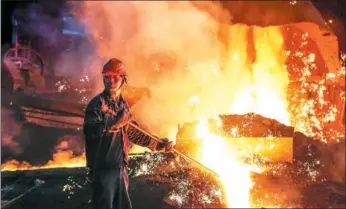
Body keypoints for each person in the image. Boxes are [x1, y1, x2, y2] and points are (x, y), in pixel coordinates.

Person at [83, 58, 174, 209]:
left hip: (120, 169)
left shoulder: (121, 105)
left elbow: (133, 132)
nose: (111, 80)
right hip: (103, 171)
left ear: (123, 78)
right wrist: (113, 123)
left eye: (115, 76)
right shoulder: (97, 104)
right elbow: (90, 131)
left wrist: (157, 144)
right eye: (107, 76)